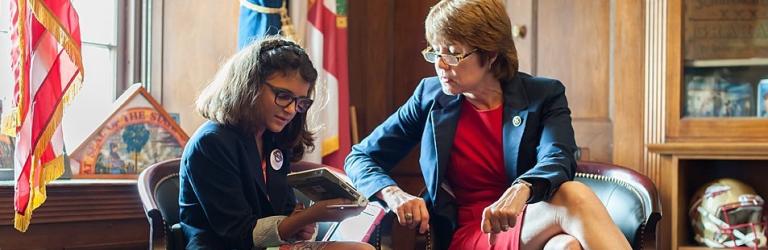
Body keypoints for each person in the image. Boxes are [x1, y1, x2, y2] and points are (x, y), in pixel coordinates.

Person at [344, 0, 631, 249]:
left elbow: (558, 156)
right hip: (473, 231)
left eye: (453, 53)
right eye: (435, 52)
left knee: (566, 245)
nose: (441, 65)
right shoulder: (429, 97)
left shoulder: (543, 95)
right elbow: (360, 156)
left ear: (491, 54)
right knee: (574, 196)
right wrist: (392, 193)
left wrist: (522, 190)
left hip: (533, 219)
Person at [179, 36, 374, 250]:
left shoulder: (273, 137)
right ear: (249, 85)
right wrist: (306, 217)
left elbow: (285, 211)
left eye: (300, 102)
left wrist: (304, 225)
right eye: (283, 95)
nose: (291, 109)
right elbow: (238, 236)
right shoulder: (212, 143)